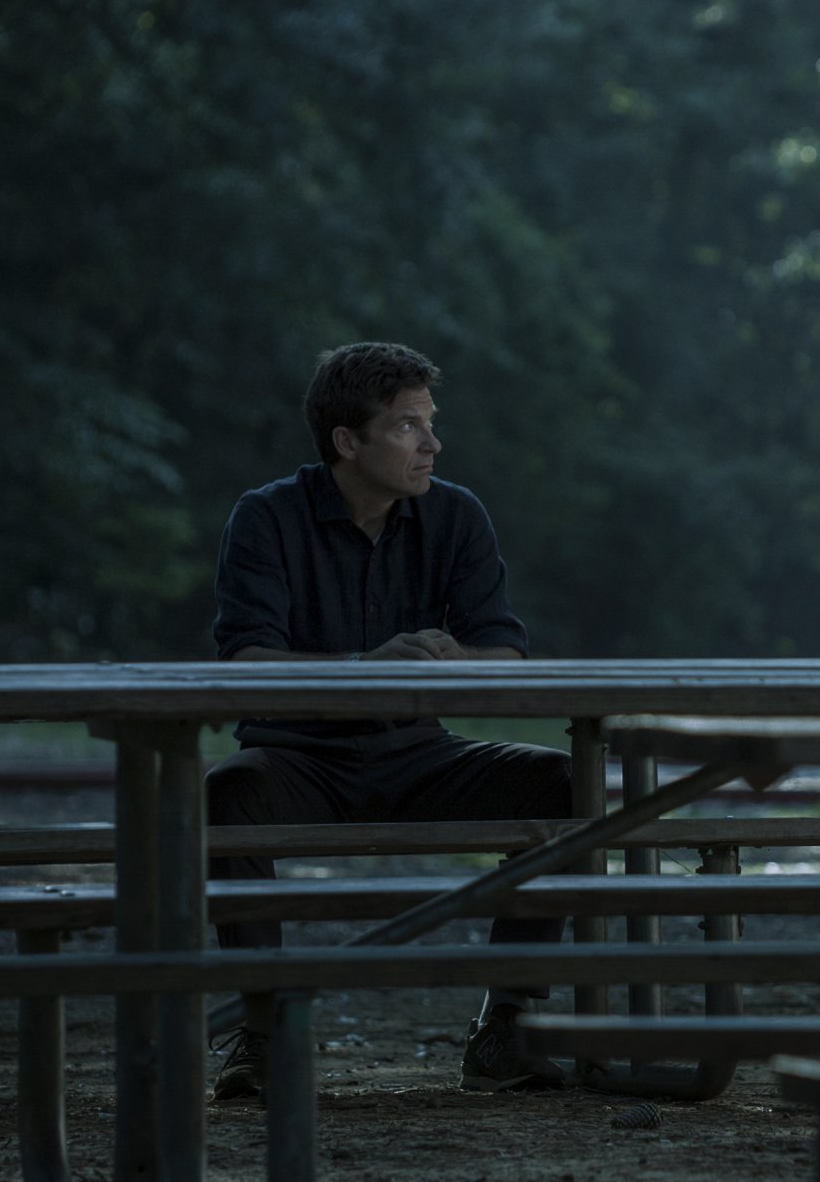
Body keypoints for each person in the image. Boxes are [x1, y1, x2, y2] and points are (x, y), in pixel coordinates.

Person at [206, 341, 572, 1098]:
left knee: (567, 786)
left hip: (418, 754)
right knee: (225, 794)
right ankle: (263, 1034)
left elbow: (505, 654)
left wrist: (455, 661)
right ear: (348, 441)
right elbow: (245, 667)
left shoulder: (456, 514)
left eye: (430, 424)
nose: (432, 444)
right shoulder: (266, 517)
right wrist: (365, 666)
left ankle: (507, 1027)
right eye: (409, 426)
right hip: (297, 760)